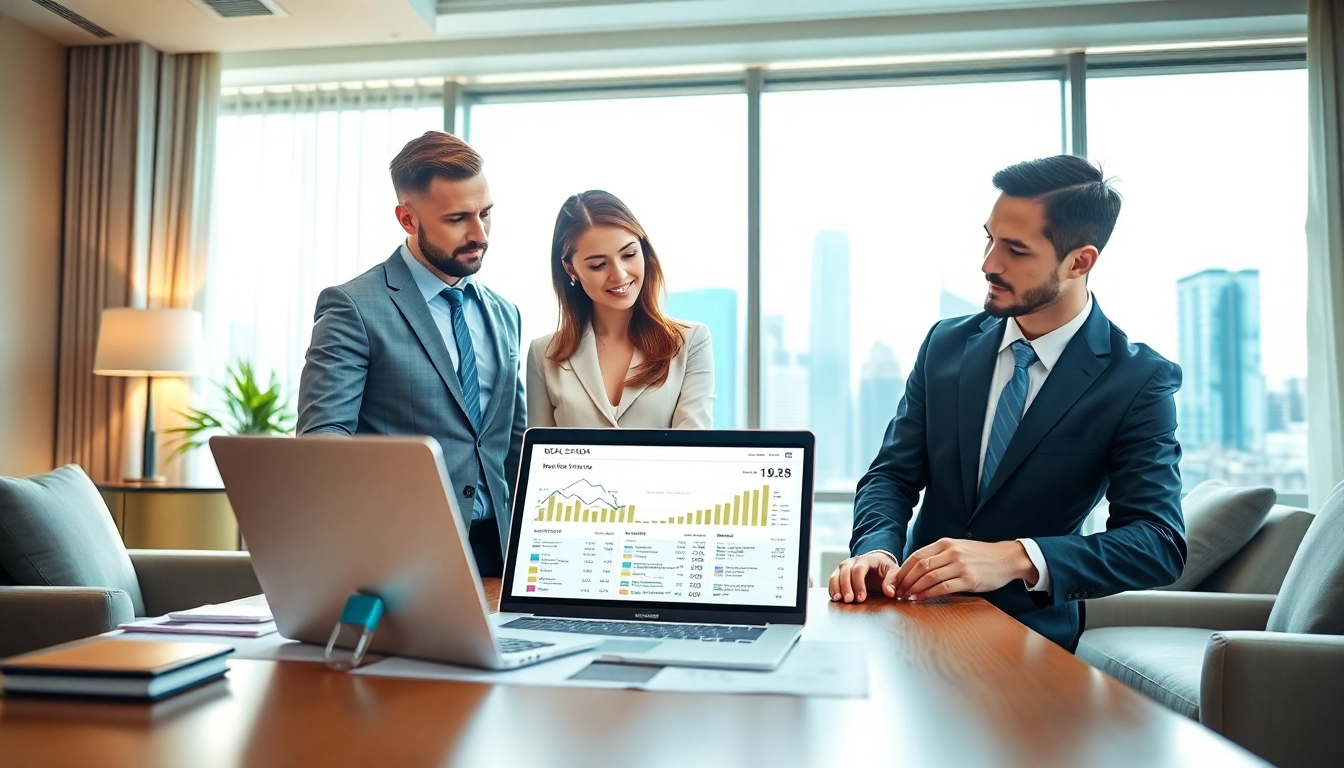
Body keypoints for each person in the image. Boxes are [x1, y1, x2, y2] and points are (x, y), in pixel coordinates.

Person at [828, 155, 1186, 651]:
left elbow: (1158, 543)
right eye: (990, 238)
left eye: (1015, 250)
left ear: (1079, 262)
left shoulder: (1137, 380)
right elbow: (892, 474)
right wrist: (876, 550)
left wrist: (1016, 557)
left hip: (1029, 639)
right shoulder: (945, 345)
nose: (988, 264)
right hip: (906, 615)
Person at [296, 131, 524, 578]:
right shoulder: (353, 307)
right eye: (457, 219)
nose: (479, 234)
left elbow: (512, 446)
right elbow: (323, 445)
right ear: (407, 218)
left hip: (499, 554)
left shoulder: (505, 314)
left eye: (485, 213)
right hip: (401, 555)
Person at [527, 190, 714, 429]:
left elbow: (693, 444)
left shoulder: (691, 342)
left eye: (629, 254)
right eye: (598, 265)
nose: (619, 274)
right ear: (571, 270)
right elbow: (540, 449)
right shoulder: (543, 355)